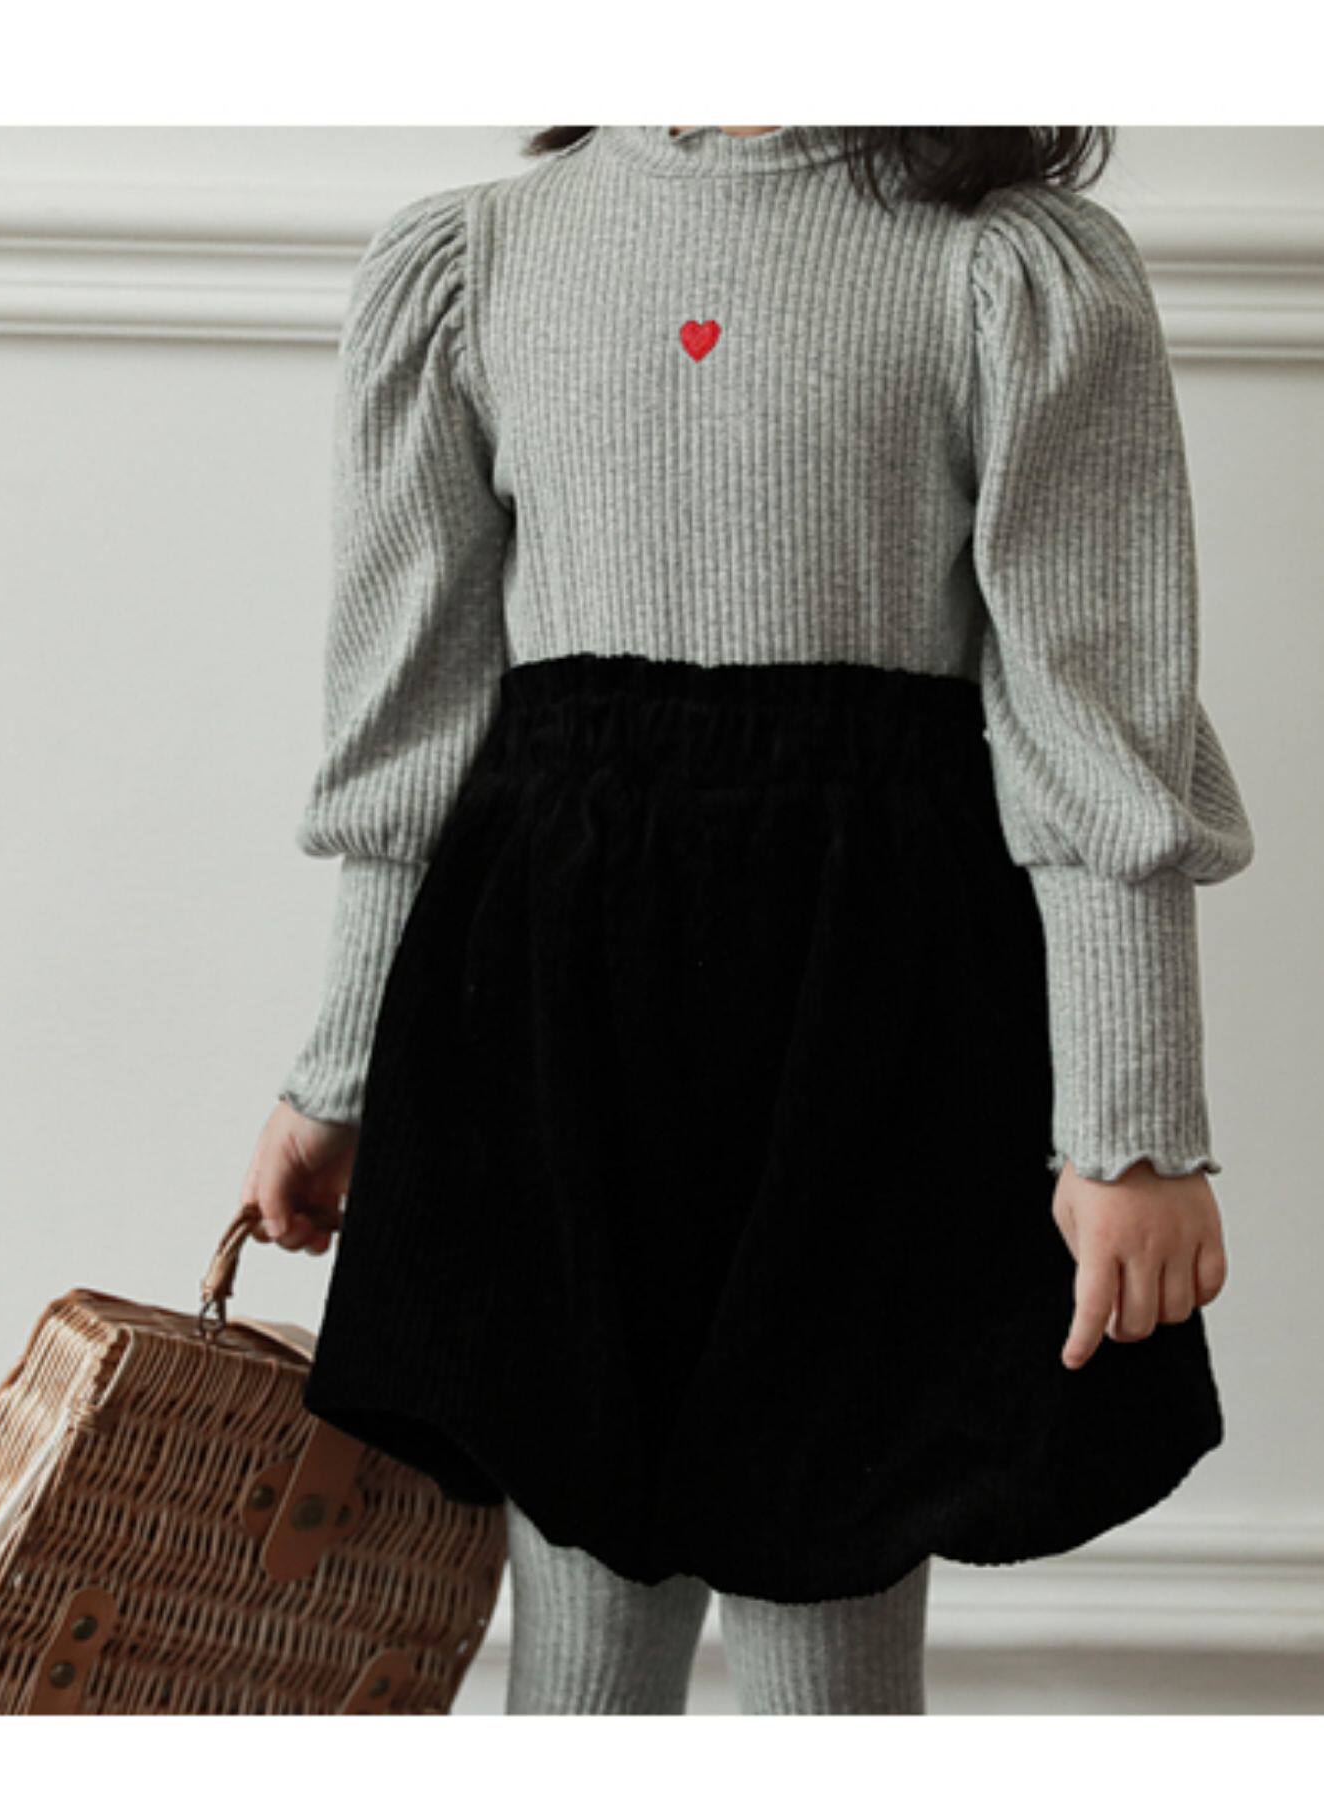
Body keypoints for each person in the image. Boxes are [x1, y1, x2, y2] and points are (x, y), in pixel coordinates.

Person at [240, 124, 1255, 1715]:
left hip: (877, 1034)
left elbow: (1096, 719)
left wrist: (1132, 1128)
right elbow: (411, 729)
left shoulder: (1002, 270)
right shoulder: (474, 267)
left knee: (829, 1584)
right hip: (552, 1030)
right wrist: (341, 1072)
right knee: (576, 1616)